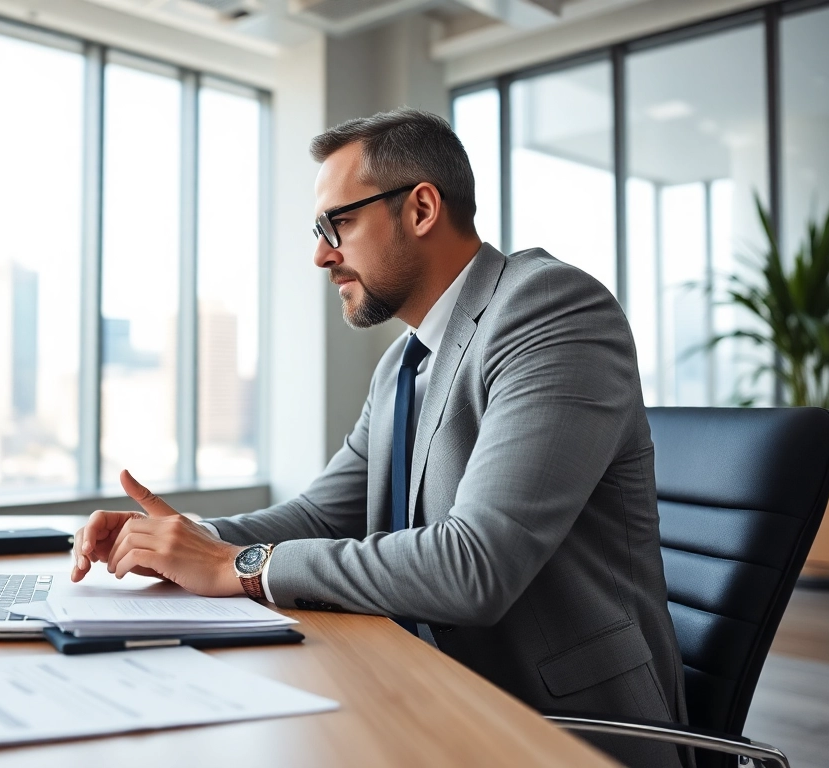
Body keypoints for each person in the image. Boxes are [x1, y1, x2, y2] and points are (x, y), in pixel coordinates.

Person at [71, 108, 690, 767]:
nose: (320, 254)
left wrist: (237, 567)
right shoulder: (405, 363)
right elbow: (317, 515)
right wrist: (185, 539)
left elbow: (473, 565)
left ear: (421, 208)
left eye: (338, 223)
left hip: (561, 728)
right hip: (426, 692)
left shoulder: (551, 310)